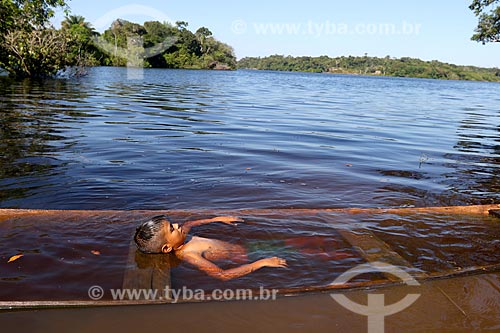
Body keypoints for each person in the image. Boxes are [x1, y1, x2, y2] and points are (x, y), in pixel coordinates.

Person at [134, 215, 287, 281]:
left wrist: (216, 219)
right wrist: (259, 264)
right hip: (244, 257)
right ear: (167, 248)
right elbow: (222, 275)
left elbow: (190, 224)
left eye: (172, 223)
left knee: (289, 244)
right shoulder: (190, 254)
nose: (176, 225)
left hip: (246, 248)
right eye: (171, 229)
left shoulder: (181, 236)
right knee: (294, 246)